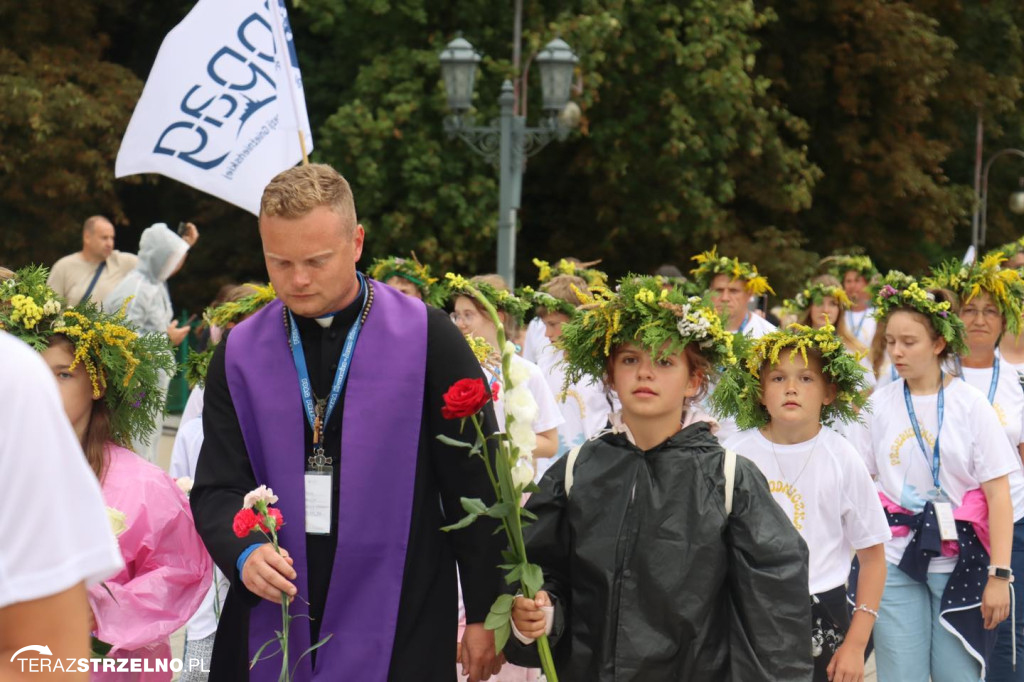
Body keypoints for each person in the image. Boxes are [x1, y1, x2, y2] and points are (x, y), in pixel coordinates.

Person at [189, 163, 506, 682]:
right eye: (279, 261)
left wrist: (486, 610)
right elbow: (218, 487)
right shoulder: (239, 353)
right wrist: (243, 551)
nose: (298, 280)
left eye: (316, 260)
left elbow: (477, 479)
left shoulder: (428, 338)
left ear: (356, 242)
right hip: (275, 600)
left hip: (402, 603)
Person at [505, 276, 812, 680]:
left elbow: (774, 609)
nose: (645, 373)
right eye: (630, 360)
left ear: (693, 381)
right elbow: (543, 572)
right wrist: (538, 613)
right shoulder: (577, 470)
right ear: (610, 375)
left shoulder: (728, 478)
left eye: (664, 361)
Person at [1, 265, 211, 681]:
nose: (45, 389)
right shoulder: (14, 472)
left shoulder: (144, 485)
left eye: (63, 375)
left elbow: (182, 571)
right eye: (35, 373)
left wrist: (103, 610)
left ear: (95, 383)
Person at [845, 271, 1016, 680]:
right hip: (894, 561)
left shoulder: (971, 406)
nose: (897, 352)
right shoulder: (876, 407)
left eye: (909, 342)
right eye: (890, 342)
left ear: (938, 343)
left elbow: (999, 496)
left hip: (960, 564)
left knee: (957, 675)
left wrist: (1000, 575)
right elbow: (856, 486)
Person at [714, 323, 890, 681]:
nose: (791, 388)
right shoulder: (733, 454)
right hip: (744, 611)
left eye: (806, 378)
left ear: (829, 392)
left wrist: (856, 646)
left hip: (821, 611)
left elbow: (873, 559)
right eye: (778, 378)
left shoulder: (843, 457)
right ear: (760, 392)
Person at [0, 328, 125, 680]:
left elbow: (45, 656)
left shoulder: (11, 376)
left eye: (63, 374)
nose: (50, 385)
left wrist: (111, 607)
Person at [926, 254, 1024, 681]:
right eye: (969, 309)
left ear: (1005, 321)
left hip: (1013, 521)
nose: (980, 319)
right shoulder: (932, 376)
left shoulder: (1018, 379)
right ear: (953, 317)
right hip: (948, 526)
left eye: (990, 310)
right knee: (952, 633)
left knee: (1007, 635)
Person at [104, 221, 199, 461]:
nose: (172, 265)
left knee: (145, 443)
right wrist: (166, 338)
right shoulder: (136, 288)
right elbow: (119, 339)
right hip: (134, 390)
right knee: (133, 446)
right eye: (169, 257)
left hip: (148, 386)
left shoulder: (153, 285)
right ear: (158, 257)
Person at [520, 275, 614, 479]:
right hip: (549, 474)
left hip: (594, 472)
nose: (546, 334)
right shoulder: (547, 362)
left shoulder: (604, 365)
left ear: (578, 320)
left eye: (553, 324)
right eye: (545, 324)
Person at [784, 276, 875, 390]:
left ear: (839, 309)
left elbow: (867, 391)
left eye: (832, 303)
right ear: (810, 306)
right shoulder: (791, 346)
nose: (826, 309)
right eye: (819, 302)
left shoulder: (854, 351)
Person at [48, 215, 139, 306]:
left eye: (112, 238)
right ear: (87, 237)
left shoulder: (122, 262)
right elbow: (49, 309)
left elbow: (150, 263)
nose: (110, 243)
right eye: (104, 238)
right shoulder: (63, 267)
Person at [690, 246, 777, 338]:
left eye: (733, 291)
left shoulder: (769, 336)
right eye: (719, 290)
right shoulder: (691, 331)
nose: (725, 298)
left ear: (749, 294)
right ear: (709, 292)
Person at [827, 254, 878, 348]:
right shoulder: (838, 313)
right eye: (848, 281)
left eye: (857, 281)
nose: (852, 285)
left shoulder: (878, 313)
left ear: (867, 284)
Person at [368, 253, 447, 306]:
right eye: (391, 292)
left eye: (404, 292)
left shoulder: (433, 325)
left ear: (419, 296)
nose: (397, 297)